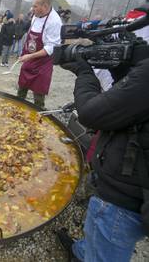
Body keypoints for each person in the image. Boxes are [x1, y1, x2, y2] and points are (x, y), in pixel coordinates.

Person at [57, 27, 149, 262]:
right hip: (130, 178)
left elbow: (90, 113)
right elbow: (132, 101)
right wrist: (121, 68)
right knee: (96, 233)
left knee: (107, 244)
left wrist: (84, 72)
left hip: (126, 195)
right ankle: (82, 251)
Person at [17, 0, 62, 109]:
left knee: (38, 96)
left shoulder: (55, 21)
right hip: (29, 59)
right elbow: (29, 37)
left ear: (45, 7)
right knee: (21, 89)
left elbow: (50, 48)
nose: (33, 9)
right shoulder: (35, 15)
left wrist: (29, 56)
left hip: (42, 63)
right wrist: (24, 53)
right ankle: (16, 110)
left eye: (35, 6)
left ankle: (38, 116)